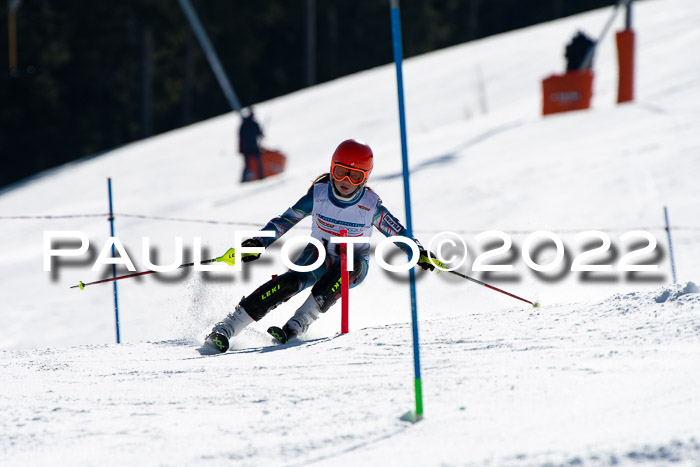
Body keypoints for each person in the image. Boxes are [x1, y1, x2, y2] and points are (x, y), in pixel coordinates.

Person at [204, 139, 439, 353]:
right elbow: (284, 221)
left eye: (354, 176)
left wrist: (417, 252)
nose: (346, 181)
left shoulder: (371, 206)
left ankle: (297, 324)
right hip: (317, 255)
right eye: (341, 172)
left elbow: (397, 232)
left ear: (365, 178)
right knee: (290, 282)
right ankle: (227, 327)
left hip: (353, 264)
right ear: (332, 168)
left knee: (347, 266)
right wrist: (259, 242)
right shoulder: (318, 196)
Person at [238, 108, 265, 182]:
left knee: (247, 165)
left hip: (246, 148)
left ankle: (244, 179)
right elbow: (260, 135)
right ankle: (261, 177)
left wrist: (240, 148)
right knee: (258, 162)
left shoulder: (243, 125)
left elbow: (240, 138)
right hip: (253, 146)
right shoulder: (254, 123)